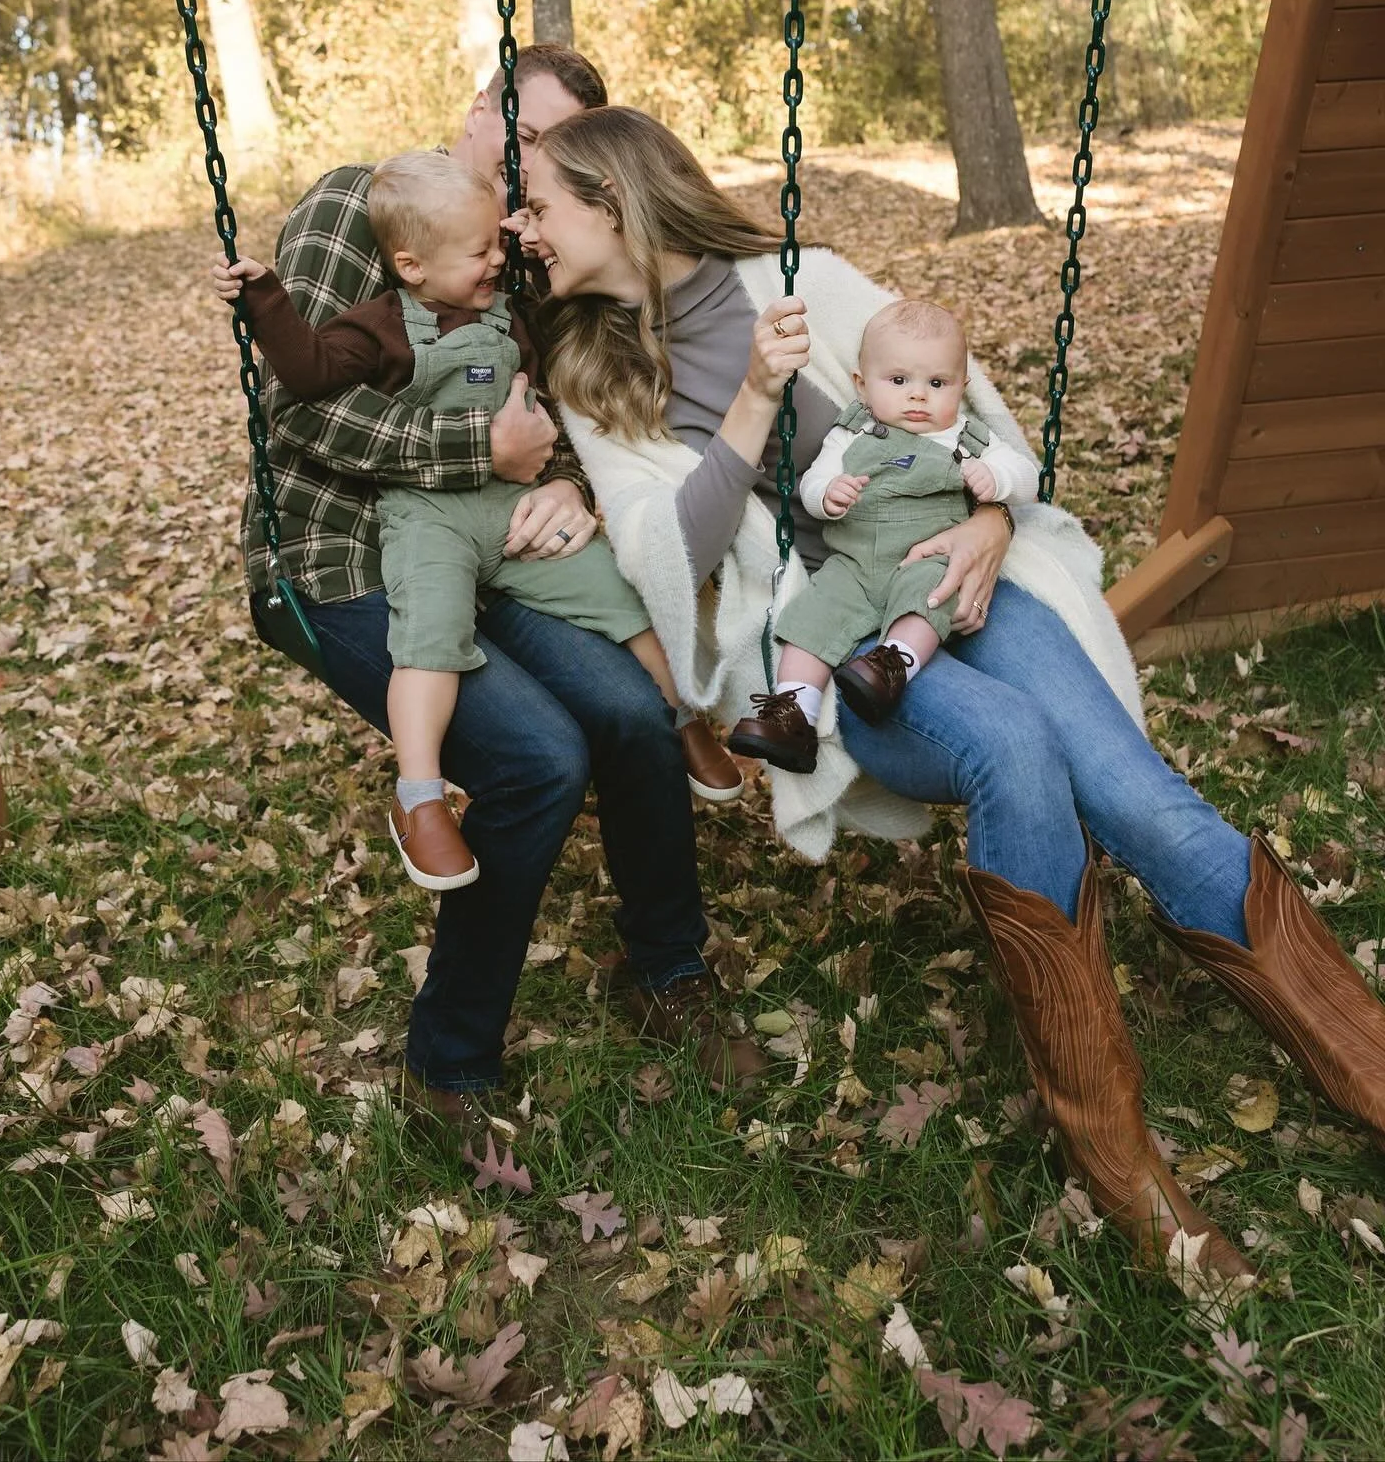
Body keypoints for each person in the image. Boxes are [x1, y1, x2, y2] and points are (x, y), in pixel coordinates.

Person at [518, 101, 1385, 1281]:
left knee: (1138, 799)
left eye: (541, 202)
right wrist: (757, 400)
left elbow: (970, 408)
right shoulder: (586, 371)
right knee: (1015, 747)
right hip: (841, 649)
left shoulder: (803, 280)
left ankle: (1365, 1058)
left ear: (611, 200)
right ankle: (1120, 1157)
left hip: (976, 587)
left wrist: (986, 520)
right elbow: (669, 552)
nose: (526, 228)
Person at [241, 49, 764, 1189]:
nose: (535, 189)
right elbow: (295, 418)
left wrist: (568, 477)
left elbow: (563, 401)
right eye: (528, 141)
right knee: (535, 753)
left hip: (500, 550)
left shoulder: (519, 257)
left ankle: (667, 967)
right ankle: (452, 1059)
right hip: (339, 559)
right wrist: (475, 452)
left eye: (559, 163)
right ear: (479, 111)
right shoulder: (358, 206)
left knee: (629, 710)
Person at [218, 149, 741, 891]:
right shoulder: (382, 325)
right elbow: (303, 380)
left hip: (507, 515)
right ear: (413, 265)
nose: (499, 255)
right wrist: (266, 301)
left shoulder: (507, 305)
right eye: (480, 250)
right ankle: (421, 797)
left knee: (621, 600)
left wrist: (563, 479)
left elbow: (557, 402)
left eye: (500, 242)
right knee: (429, 640)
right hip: (426, 516)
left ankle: (684, 716)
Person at [730, 298, 1037, 772]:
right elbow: (814, 480)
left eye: (937, 384)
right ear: (862, 385)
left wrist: (996, 481)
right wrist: (828, 494)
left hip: (923, 557)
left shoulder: (966, 439)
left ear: (962, 387)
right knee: (812, 617)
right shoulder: (852, 433)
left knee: (931, 596)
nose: (918, 397)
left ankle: (891, 665)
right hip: (851, 565)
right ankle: (793, 716)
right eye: (898, 381)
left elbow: (1026, 476)